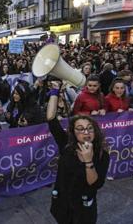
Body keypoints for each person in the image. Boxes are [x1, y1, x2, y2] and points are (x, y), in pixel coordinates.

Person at [47, 81, 109, 224]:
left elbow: (96, 184)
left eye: (89, 128)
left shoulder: (101, 154)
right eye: (80, 129)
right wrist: (55, 92)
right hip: (63, 203)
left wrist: (88, 161)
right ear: (73, 133)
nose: (86, 132)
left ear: (95, 131)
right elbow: (51, 119)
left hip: (83, 209)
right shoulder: (66, 145)